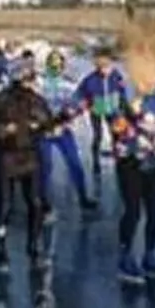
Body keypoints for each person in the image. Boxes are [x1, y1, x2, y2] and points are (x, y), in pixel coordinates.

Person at [0, 57, 56, 272]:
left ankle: (33, 248)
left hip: (30, 157)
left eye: (33, 78)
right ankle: (0, 247)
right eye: (28, 78)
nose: (32, 82)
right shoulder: (0, 100)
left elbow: (49, 121)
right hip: (5, 159)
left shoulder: (37, 101)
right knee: (5, 206)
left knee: (35, 204)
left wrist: (50, 126)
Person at [109, 70, 155, 285]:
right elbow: (117, 125)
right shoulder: (143, 103)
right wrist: (126, 124)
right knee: (132, 211)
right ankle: (125, 256)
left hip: (153, 165)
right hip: (130, 164)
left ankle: (150, 255)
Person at [37, 49, 98, 212]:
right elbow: (33, 106)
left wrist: (74, 113)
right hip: (44, 131)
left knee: (74, 163)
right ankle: (41, 199)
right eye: (52, 66)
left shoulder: (69, 83)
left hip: (63, 130)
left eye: (58, 66)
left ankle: (83, 197)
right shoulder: (40, 83)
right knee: (45, 166)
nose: (55, 69)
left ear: (62, 66)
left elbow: (78, 105)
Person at [76, 46, 130, 177]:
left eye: (108, 67)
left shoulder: (116, 75)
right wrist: (83, 102)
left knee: (116, 134)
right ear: (99, 68)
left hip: (112, 107)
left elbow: (122, 90)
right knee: (98, 135)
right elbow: (80, 92)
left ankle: (119, 159)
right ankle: (96, 162)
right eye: (104, 68)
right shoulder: (90, 79)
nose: (107, 71)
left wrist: (124, 105)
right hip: (97, 108)